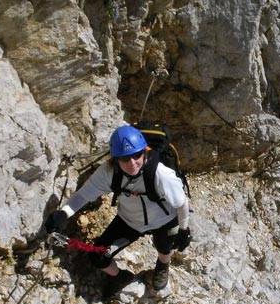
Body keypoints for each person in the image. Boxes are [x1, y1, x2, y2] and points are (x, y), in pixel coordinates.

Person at [45, 125, 191, 292]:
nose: (132, 163)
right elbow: (83, 195)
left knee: (165, 246)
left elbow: (181, 203)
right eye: (124, 158)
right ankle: (120, 277)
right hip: (129, 220)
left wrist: (183, 229)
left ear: (144, 152)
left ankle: (163, 266)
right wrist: (63, 213)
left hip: (164, 219)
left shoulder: (161, 174)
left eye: (136, 155)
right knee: (97, 257)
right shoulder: (109, 172)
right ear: (116, 158)